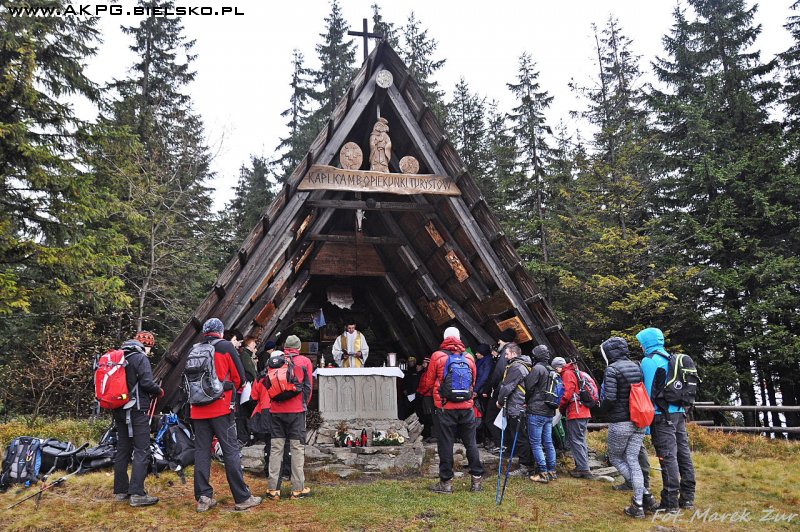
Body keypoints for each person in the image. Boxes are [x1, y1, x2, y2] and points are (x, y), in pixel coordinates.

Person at [191, 318, 261, 512]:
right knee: (230, 451)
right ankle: (242, 497)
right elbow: (240, 378)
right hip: (221, 408)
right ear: (221, 332)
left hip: (197, 408)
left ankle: (203, 497)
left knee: (202, 452)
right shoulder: (225, 347)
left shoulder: (195, 349)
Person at [637, 327, 696, 512]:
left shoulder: (649, 361)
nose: (640, 346)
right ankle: (688, 498)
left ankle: (670, 503)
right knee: (683, 454)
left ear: (647, 343)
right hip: (679, 413)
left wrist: (646, 424)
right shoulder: (671, 358)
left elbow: (647, 394)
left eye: (641, 342)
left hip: (661, 416)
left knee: (667, 457)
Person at [599, 336, 657, 518]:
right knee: (632, 459)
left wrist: (600, 410)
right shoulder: (637, 366)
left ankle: (641, 499)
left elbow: (610, 398)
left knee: (616, 458)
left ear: (609, 352)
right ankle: (644, 500)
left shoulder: (612, 370)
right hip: (639, 420)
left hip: (621, 422)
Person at [429, 326, 484, 494]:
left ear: (445, 338)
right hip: (467, 408)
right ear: (459, 338)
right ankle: (476, 481)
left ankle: (446, 483)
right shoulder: (469, 357)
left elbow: (429, 380)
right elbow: (473, 381)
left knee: (446, 444)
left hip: (446, 407)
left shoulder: (437, 356)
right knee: (471, 443)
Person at [112, 331, 163, 507]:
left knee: (123, 448)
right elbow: (146, 383)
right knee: (142, 449)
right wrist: (158, 390)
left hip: (119, 409)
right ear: (145, 346)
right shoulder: (140, 358)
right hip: (136, 410)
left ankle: (120, 491)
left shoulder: (119, 358)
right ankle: (137, 493)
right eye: (150, 347)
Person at [266, 335, 314, 501]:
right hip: (296, 412)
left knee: (276, 449)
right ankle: (297, 489)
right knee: (297, 448)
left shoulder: (274, 361)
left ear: (285, 348)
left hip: (276, 411)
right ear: (298, 348)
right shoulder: (304, 362)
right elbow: (308, 387)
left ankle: (273, 489)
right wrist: (303, 404)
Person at [495, 343, 534, 476]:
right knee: (522, 435)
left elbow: (507, 387)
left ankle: (525, 467)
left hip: (517, 406)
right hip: (521, 405)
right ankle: (526, 464)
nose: (505, 356)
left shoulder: (516, 367)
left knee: (520, 436)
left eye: (507, 354)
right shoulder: (525, 365)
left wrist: (500, 401)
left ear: (514, 353)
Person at [556, 357, 593, 479]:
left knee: (575, 440)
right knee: (581, 440)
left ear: (558, 367)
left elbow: (568, 393)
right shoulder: (574, 371)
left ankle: (583, 469)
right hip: (583, 410)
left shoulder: (567, 373)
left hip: (576, 411)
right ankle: (583, 466)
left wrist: (560, 407)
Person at [525, 345, 558, 483]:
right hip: (549, 410)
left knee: (536, 443)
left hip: (536, 410)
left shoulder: (538, 368)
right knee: (548, 443)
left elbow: (528, 387)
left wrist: (526, 401)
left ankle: (542, 473)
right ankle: (552, 471)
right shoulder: (551, 369)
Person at [485, 329, 517, 452]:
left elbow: (498, 372)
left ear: (505, 340)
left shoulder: (506, 351)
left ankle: (501, 445)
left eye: (500, 339)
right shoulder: (514, 350)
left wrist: (491, 387)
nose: (498, 342)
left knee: (490, 419)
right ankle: (505, 445)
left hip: (500, 390)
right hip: (509, 392)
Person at [473, 344, 495, 444]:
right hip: (481, 391)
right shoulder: (483, 361)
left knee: (484, 416)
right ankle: (483, 439)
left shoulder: (487, 362)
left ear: (483, 353)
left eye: (478, 352)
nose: (476, 354)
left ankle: (486, 439)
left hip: (483, 392)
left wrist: (475, 390)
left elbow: (483, 377)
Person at [417, 355, 439, 442]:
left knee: (431, 415)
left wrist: (421, 392)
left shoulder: (430, 373)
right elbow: (421, 384)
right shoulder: (424, 373)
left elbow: (428, 385)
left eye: (424, 363)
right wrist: (419, 391)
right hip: (425, 396)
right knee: (427, 415)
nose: (423, 364)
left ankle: (434, 435)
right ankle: (429, 434)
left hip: (429, 396)